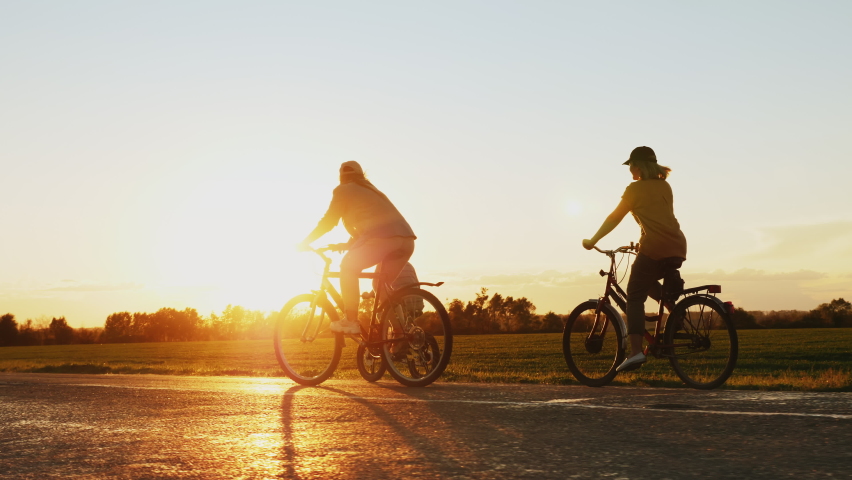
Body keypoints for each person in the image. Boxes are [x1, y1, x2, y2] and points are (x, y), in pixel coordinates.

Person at [582, 146, 687, 372]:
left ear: (637, 165)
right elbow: (658, 218)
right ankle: (676, 314)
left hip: (654, 246)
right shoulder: (665, 186)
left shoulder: (633, 189)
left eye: (630, 164)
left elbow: (614, 218)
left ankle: (636, 351)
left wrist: (592, 240)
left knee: (634, 295)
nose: (629, 168)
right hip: (677, 245)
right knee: (647, 282)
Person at [298, 161, 416, 334]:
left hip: (382, 239)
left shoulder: (343, 189)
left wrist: (305, 242)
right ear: (361, 174)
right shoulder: (371, 190)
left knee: (348, 266)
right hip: (406, 241)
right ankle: (401, 335)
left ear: (341, 176)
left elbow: (329, 221)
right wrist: (346, 245)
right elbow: (373, 223)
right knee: (381, 287)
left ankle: (351, 320)